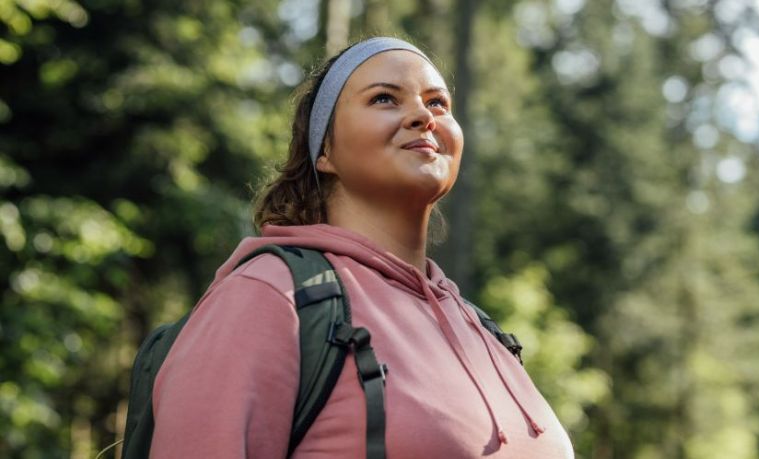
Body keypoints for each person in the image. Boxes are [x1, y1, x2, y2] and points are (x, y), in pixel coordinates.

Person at [149, 36, 574, 458]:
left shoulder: (482, 329)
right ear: (324, 151)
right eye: (385, 98)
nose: (422, 116)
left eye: (437, 103)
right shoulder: (270, 295)